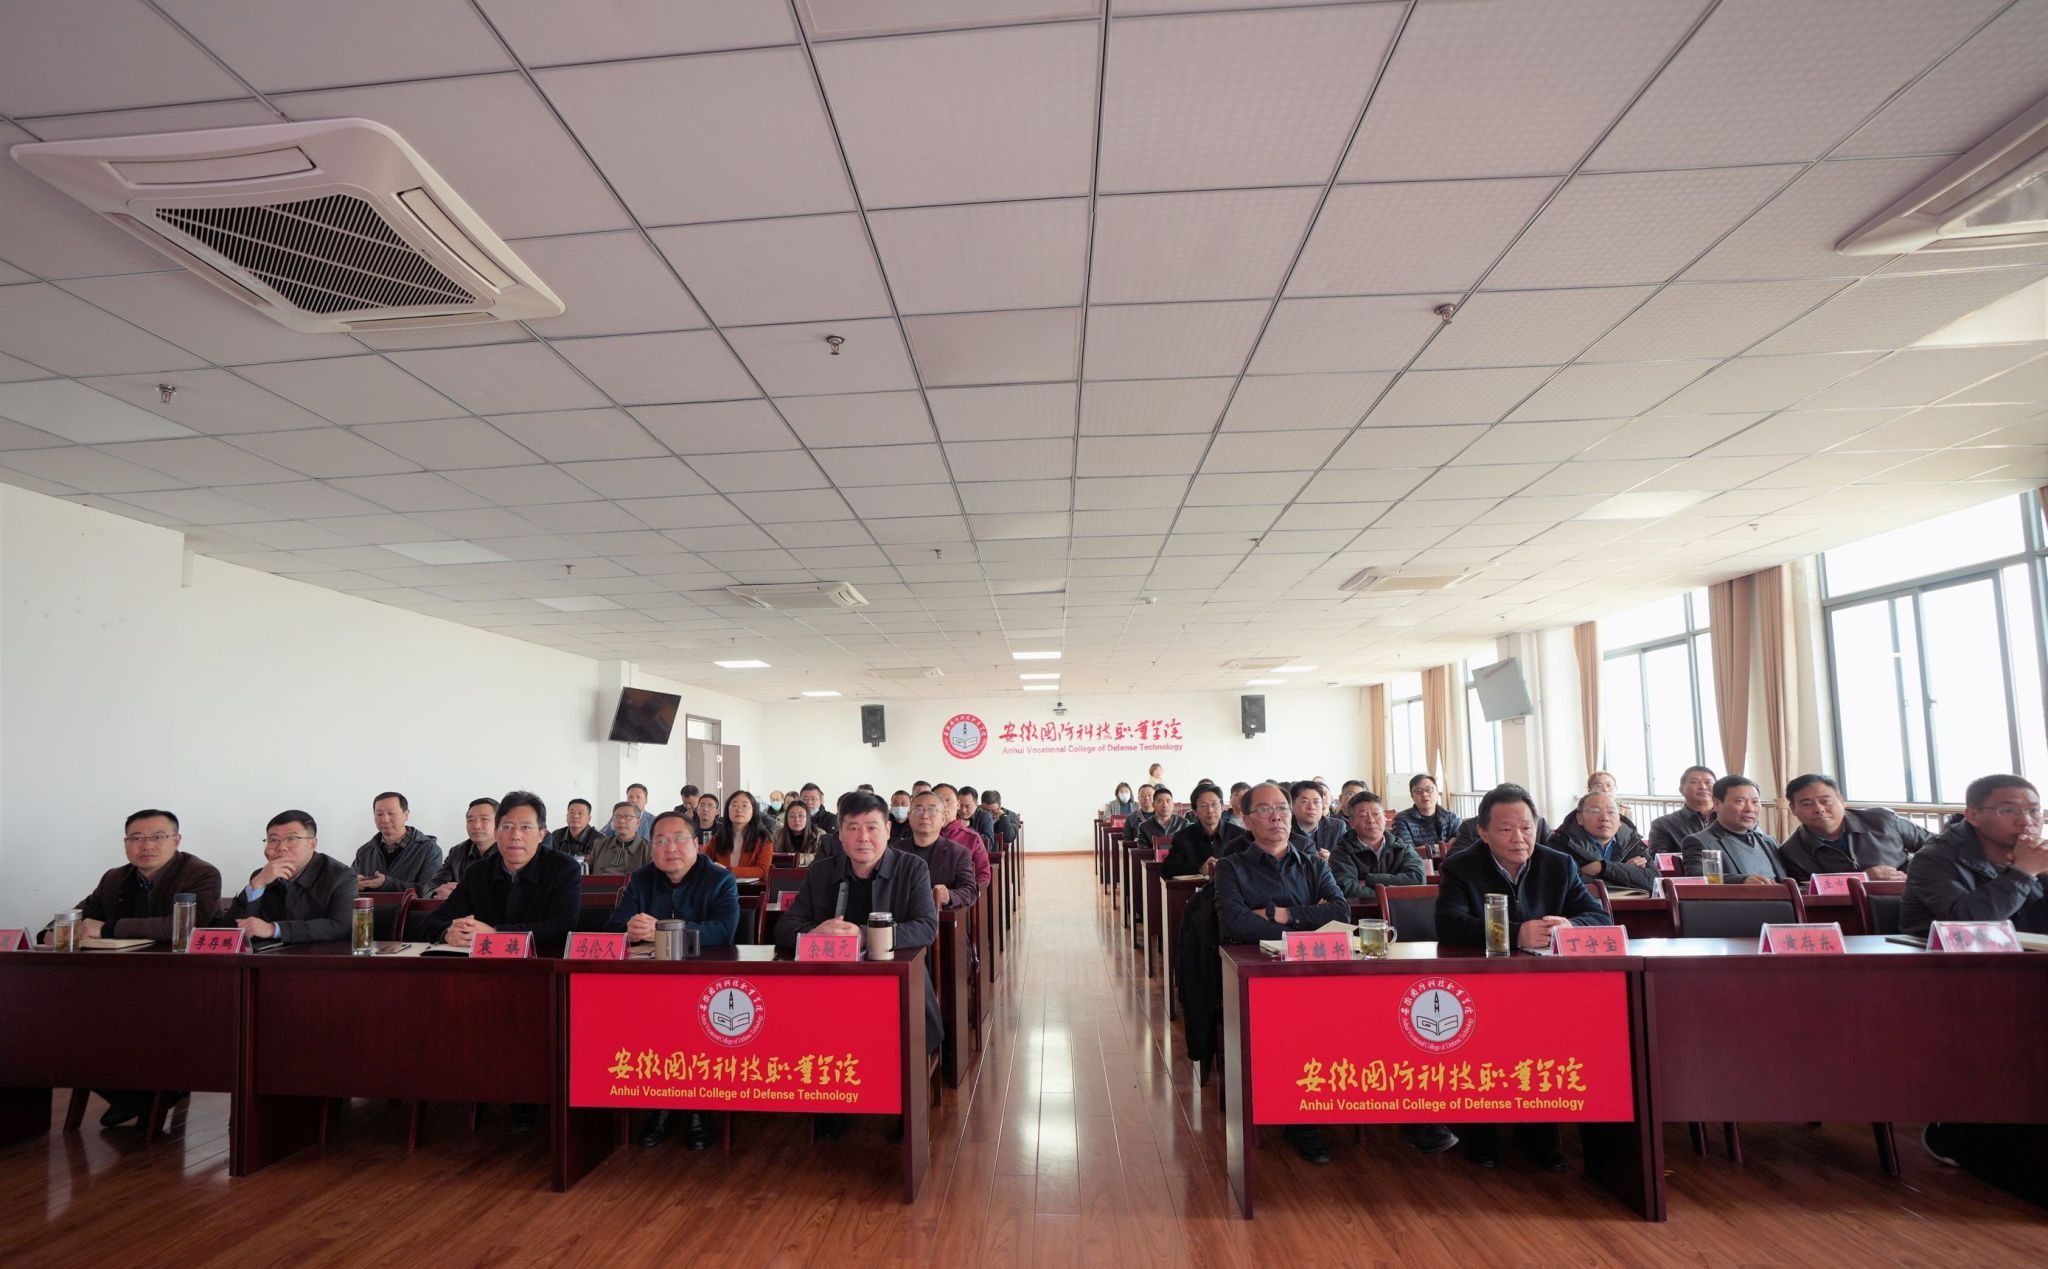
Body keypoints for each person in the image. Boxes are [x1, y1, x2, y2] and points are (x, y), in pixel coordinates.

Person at [1435, 783, 1611, 1171]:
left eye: (1527, 827)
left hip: (1544, 987)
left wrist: (1570, 925)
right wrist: (1515, 933)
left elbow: (1599, 917)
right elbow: (1448, 924)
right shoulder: (1461, 866)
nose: (1519, 838)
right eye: (1506, 829)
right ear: (1483, 832)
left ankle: (1538, 1137)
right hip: (1482, 985)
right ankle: (1481, 1136)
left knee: (1555, 1039)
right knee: (1480, 1040)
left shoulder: (1557, 864)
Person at [775, 791, 941, 1139]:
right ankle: (832, 1099)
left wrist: (864, 935)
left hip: (896, 985)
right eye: (852, 828)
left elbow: (926, 927)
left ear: (888, 829)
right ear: (840, 833)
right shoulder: (822, 871)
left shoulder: (912, 868)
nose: (862, 837)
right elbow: (786, 927)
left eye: (871, 827)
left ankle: (906, 1103)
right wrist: (816, 931)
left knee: (904, 1028)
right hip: (833, 987)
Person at [1212, 782, 1352, 1164]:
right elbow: (1235, 922)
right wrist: (1307, 924)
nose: (1276, 816)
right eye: (1264, 810)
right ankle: (1300, 1118)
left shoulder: (1312, 863)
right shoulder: (1231, 868)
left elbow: (1340, 911)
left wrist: (1280, 915)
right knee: (1295, 1024)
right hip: (1257, 975)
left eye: (1282, 809)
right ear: (1246, 819)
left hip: (1314, 971)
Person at [61, 809, 221, 1130]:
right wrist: (55, 931)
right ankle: (136, 1095)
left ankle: (147, 1093)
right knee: (65, 1019)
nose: (146, 845)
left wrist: (108, 928)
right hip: (119, 981)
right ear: (125, 843)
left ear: (176, 840)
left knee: (124, 1021)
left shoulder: (200, 874)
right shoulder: (115, 878)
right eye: (136, 838)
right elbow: (82, 914)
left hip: (183, 982)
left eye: (158, 837)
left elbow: (183, 926)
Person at [608, 811, 739, 1151]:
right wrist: (629, 929)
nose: (671, 848)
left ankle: (695, 1106)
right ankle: (661, 1101)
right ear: (651, 847)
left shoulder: (719, 879)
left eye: (679, 839)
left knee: (686, 1016)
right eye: (661, 841)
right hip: (649, 982)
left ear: (696, 843)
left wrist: (663, 930)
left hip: (705, 982)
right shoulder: (641, 879)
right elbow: (614, 927)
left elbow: (723, 930)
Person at [419, 790, 581, 956]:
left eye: (525, 827)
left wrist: (495, 933)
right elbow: (433, 922)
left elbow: (563, 925)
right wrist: (448, 933)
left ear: (541, 834)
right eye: (507, 827)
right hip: (485, 965)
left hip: (541, 962)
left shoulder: (563, 868)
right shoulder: (477, 872)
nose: (515, 836)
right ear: (496, 833)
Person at [1901, 774, 2047, 938]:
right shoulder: (1932, 859)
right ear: (1973, 816)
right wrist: (2023, 873)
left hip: (2026, 951)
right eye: (2008, 810)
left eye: (2034, 810)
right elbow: (1968, 924)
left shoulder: (2037, 855)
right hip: (1943, 952)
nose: (2026, 821)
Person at [225, 810, 356, 943]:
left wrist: (273, 929)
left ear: (312, 843)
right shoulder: (262, 876)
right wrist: (257, 885)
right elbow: (231, 931)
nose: (281, 847)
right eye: (273, 840)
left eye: (291, 839)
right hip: (269, 955)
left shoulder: (341, 876)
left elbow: (341, 926)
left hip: (321, 954)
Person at [1781, 774, 1926, 882]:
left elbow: (1934, 845)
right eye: (1807, 804)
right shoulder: (1792, 851)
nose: (1819, 809)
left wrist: (1912, 874)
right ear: (1793, 809)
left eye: (1825, 801)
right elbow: (1807, 893)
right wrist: (1862, 878)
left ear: (1841, 800)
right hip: (1846, 910)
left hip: (1910, 898)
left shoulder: (1882, 820)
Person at [1681, 776, 1788, 882]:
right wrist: (1743, 881)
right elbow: (1699, 878)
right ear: (1717, 804)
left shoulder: (1769, 842)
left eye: (1755, 802)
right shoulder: (1700, 842)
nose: (1750, 809)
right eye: (1740, 801)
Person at [1551, 792, 1657, 892]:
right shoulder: (1562, 842)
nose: (1605, 818)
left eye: (1611, 812)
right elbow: (1568, 883)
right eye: (1595, 811)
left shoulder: (1631, 841)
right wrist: (1625, 871)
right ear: (1579, 818)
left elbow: (1654, 880)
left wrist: (1602, 867)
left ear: (1619, 820)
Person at [1327, 791, 1426, 899]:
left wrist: (1368, 880)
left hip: (1402, 909)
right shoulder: (1341, 854)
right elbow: (1347, 890)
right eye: (1363, 815)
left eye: (1376, 814)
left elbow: (1418, 879)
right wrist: (1396, 894)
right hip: (1362, 910)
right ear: (1351, 823)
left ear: (1384, 818)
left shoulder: (1402, 848)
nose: (1371, 820)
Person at [899, 790, 979, 909]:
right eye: (918, 810)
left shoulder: (958, 853)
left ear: (943, 818)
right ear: (909, 817)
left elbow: (970, 891)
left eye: (932, 810)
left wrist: (948, 895)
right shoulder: (894, 851)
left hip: (940, 917)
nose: (925, 816)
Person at [352, 791, 442, 896]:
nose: (385, 819)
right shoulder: (365, 851)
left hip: (409, 907)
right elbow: (346, 885)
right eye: (379, 814)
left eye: (391, 813)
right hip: (372, 907)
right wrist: (354, 884)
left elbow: (430, 891)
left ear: (406, 815)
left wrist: (387, 883)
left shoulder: (429, 849)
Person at [1161, 784, 1244, 877]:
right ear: (1195, 811)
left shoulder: (1239, 835)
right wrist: (1199, 869)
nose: (1210, 810)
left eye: (1214, 804)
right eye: (1203, 805)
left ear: (1222, 807)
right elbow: (1167, 869)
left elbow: (1249, 867)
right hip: (1195, 886)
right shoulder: (1182, 837)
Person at [427, 797, 499, 898]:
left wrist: (463, 896)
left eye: (484, 819)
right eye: (470, 820)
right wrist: (437, 893)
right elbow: (432, 886)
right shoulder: (457, 852)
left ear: (499, 822)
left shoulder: (512, 852)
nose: (476, 826)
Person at [932, 783, 993, 889]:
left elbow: (983, 876)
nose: (943, 805)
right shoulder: (919, 836)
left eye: (947, 800)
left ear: (958, 804)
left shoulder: (972, 838)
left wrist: (959, 895)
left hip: (961, 896)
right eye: (938, 801)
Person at [1647, 766, 1717, 855]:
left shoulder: (1729, 819)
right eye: (1694, 782)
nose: (1703, 787)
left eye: (1708, 782)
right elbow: (1660, 859)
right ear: (1681, 790)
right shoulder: (1663, 824)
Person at [1550, 772, 1639, 840]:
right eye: (1599, 786)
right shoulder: (1580, 812)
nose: (1605, 790)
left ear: (1616, 789)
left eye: (1609, 785)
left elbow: (1630, 836)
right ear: (1589, 790)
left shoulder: (1624, 810)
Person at [710, 789, 774, 881]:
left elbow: (763, 870)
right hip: (721, 887)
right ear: (727, 810)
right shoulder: (717, 839)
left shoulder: (763, 839)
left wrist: (728, 870)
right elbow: (705, 865)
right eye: (734, 805)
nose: (739, 810)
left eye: (744, 805)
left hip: (751, 889)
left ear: (753, 810)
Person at [1391, 773, 1460, 855]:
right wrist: (1444, 847)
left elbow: (1461, 845)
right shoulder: (1401, 820)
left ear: (1437, 792)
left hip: (1451, 861)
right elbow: (1407, 851)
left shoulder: (1452, 817)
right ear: (1412, 796)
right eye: (1418, 791)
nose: (1424, 794)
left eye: (1429, 789)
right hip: (1419, 862)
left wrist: (1425, 849)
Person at [587, 801, 652, 875]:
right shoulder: (600, 844)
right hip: (599, 882)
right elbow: (586, 872)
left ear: (638, 822)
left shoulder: (648, 849)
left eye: (627, 817)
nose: (621, 821)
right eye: (617, 817)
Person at [1287, 779, 1343, 858]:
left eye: (1316, 802)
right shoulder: (1284, 828)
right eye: (1304, 801)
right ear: (1292, 805)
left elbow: (1345, 859)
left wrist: (1332, 860)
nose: (1311, 807)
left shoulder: (1337, 827)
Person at [548, 798, 600, 863]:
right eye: (572, 813)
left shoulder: (599, 839)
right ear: (567, 816)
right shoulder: (556, 834)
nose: (575, 816)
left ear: (589, 818)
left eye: (580, 813)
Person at [774, 798, 824, 864]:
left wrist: (795, 858)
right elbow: (769, 856)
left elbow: (822, 858)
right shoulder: (777, 835)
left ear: (808, 818)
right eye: (792, 816)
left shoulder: (819, 835)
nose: (797, 820)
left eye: (801, 815)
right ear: (786, 819)